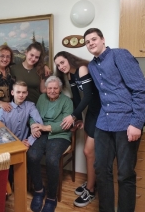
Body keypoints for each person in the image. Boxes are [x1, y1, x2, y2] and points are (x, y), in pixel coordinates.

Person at [84, 28, 145, 212]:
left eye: (94, 39)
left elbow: (141, 90)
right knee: (102, 171)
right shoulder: (92, 66)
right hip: (104, 123)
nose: (91, 43)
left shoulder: (120, 55)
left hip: (126, 123)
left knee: (125, 174)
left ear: (103, 39)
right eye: (87, 42)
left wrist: (136, 123)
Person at [54, 51, 101, 207]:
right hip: (92, 112)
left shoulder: (82, 68)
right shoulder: (70, 75)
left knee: (88, 151)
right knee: (90, 153)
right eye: (58, 65)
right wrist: (79, 118)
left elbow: (88, 95)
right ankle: (92, 182)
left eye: (62, 62)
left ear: (69, 59)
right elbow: (77, 97)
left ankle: (91, 190)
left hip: (101, 112)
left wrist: (73, 116)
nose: (61, 67)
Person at [27, 76, 73, 212]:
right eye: (49, 88)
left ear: (60, 89)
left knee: (52, 159)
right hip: (42, 133)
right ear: (46, 89)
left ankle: (52, 197)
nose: (52, 91)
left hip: (60, 135)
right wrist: (33, 126)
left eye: (55, 88)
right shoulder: (42, 98)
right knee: (32, 155)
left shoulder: (67, 101)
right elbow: (33, 115)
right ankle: (39, 190)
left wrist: (46, 127)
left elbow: (66, 124)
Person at [0, 80, 43, 188]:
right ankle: (6, 187)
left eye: (24, 92)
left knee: (27, 160)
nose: (21, 95)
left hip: (23, 143)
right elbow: (0, 132)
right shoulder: (3, 109)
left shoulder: (30, 106)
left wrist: (29, 141)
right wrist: (15, 144)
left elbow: (39, 123)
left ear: (27, 93)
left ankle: (21, 186)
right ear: (12, 93)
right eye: (18, 92)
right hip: (7, 143)